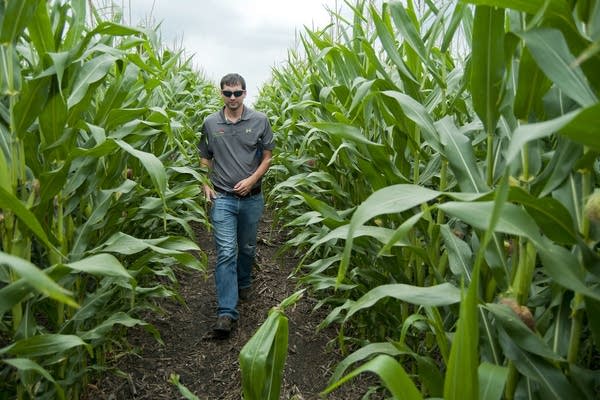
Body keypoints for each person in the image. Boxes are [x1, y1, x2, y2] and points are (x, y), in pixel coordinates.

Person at [198, 73, 275, 338]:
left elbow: (267, 157)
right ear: (221, 93)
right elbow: (204, 157)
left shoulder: (259, 120)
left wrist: (252, 179)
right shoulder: (210, 123)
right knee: (227, 250)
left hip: (252, 198)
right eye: (227, 93)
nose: (232, 98)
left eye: (237, 93)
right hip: (223, 198)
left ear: (245, 93)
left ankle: (244, 281)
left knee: (246, 248)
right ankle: (226, 312)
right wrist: (205, 183)